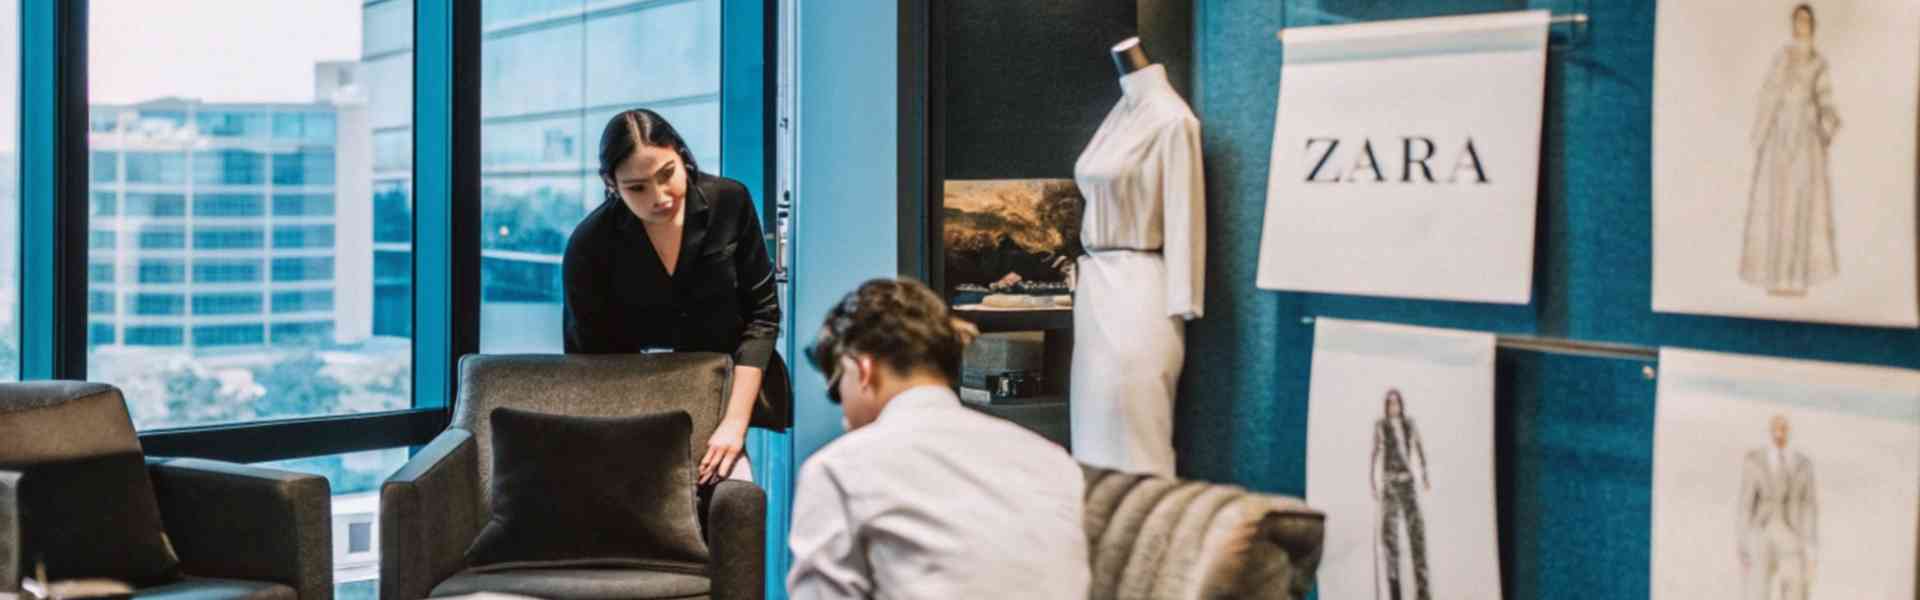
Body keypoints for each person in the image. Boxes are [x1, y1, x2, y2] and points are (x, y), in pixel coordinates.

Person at [787, 278, 1089, 599]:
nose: (843, 413)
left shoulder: (839, 471)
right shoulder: (1054, 462)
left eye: (836, 389)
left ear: (863, 370)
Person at [563, 108, 780, 485]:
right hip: (633, 401)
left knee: (736, 493)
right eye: (637, 188)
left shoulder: (731, 202)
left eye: (667, 174)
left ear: (682, 155)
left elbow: (761, 318)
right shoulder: (591, 243)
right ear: (611, 183)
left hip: (723, 392)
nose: (660, 197)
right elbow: (589, 356)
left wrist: (734, 424)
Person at [1743, 3, 1840, 296]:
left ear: (1812, 26)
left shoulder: (1818, 63)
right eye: (1798, 21)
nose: (1802, 26)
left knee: (1801, 205)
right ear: (1792, 25)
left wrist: (1826, 122)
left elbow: (1827, 101)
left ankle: (1798, 279)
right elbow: (1769, 93)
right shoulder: (1782, 59)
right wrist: (1761, 132)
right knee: (1777, 202)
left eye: (1807, 21)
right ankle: (1775, 279)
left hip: (1806, 142)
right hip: (1780, 139)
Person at [1739, 414, 1817, 600]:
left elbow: (1810, 506)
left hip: (1791, 532)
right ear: (1770, 431)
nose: (1779, 434)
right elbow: (1746, 504)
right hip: (1762, 530)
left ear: (1789, 432)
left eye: (1783, 429)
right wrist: (1743, 541)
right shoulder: (1755, 460)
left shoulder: (1803, 464)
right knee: (1758, 589)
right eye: (1776, 429)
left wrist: (1811, 544)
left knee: (1796, 588)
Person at [1370, 388, 1430, 600]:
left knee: (1417, 536)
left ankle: (1423, 593)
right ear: (1386, 406)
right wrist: (1374, 483)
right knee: (1390, 541)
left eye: (1396, 403)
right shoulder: (1381, 426)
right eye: (1390, 403)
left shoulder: (1410, 424)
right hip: (1390, 484)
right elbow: (1376, 454)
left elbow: (1420, 449)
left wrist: (1424, 475)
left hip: (1408, 482)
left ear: (1401, 405)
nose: (1393, 406)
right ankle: (1394, 594)